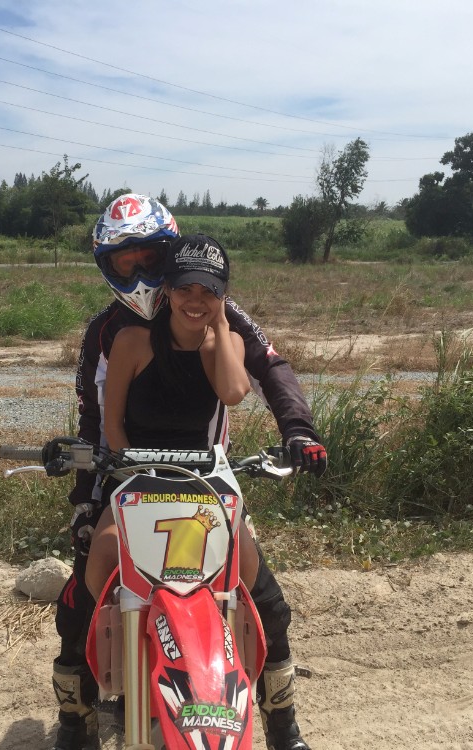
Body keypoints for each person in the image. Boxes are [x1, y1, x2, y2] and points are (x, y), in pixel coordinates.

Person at [50, 196, 324, 750]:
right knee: (79, 601)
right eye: (125, 263)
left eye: (150, 259)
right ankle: (76, 721)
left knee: (267, 604)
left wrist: (299, 430)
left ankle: (283, 723)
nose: (140, 274)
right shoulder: (110, 331)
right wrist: (87, 498)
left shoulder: (218, 313)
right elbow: (94, 418)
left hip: (207, 481)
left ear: (173, 255)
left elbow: (268, 369)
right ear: (107, 267)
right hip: (131, 480)